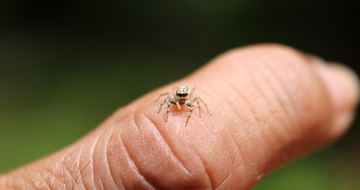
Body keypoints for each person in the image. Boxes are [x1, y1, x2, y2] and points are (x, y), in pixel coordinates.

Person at [0, 44, 358, 189]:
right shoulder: (173, 100)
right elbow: (168, 99)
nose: (182, 102)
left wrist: (185, 113)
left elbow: (193, 101)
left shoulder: (188, 101)